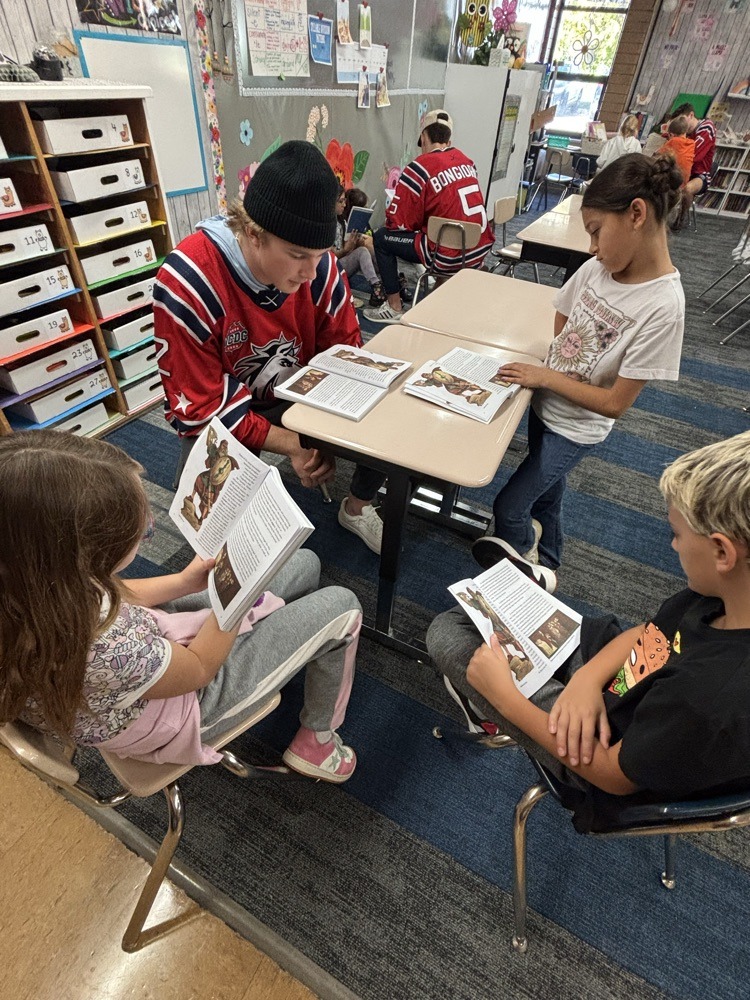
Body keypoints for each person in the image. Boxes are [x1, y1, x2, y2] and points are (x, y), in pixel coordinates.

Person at [427, 429, 750, 828]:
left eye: (678, 535)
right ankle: (525, 595)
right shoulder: (722, 597)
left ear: (723, 552)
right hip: (626, 682)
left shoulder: (708, 700)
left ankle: (491, 704)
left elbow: (612, 776)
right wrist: (587, 681)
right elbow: (650, 639)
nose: (673, 546)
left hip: (599, 750)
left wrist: (505, 698)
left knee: (447, 631)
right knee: (480, 610)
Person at [0, 431, 362, 782]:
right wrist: (236, 596)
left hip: (140, 655)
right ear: (89, 557)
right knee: (343, 606)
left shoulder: (26, 579)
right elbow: (200, 668)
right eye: (141, 530)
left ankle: (292, 641)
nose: (146, 530)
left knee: (304, 562)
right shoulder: (109, 647)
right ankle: (317, 742)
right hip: (186, 707)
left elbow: (111, 593)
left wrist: (184, 582)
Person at [153, 140, 385, 555]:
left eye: (320, 254)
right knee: (209, 530)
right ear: (252, 234)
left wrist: (323, 436)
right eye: (297, 255)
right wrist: (294, 444)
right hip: (225, 409)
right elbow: (201, 410)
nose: (310, 271)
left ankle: (357, 506)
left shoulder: (320, 268)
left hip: (295, 390)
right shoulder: (188, 281)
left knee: (382, 405)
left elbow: (347, 358)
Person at [473, 153, 685, 574]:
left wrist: (550, 374)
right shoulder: (597, 269)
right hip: (545, 406)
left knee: (510, 506)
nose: (591, 247)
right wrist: (560, 362)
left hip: (577, 429)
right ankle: (549, 562)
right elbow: (563, 313)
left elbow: (615, 405)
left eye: (596, 232)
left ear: (636, 215)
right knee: (547, 497)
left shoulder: (664, 306)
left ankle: (525, 579)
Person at [363, 109, 494, 325]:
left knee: (382, 238)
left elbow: (398, 222)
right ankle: (436, 300)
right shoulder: (467, 161)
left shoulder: (419, 168)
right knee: (442, 236)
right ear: (449, 139)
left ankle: (394, 306)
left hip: (443, 256)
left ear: (423, 137)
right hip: (477, 252)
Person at [334, 186, 385, 307]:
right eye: (340, 201)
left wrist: (354, 243)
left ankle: (392, 279)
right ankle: (376, 286)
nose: (344, 205)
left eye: (345, 201)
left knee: (370, 249)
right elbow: (330, 257)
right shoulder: (327, 224)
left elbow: (346, 248)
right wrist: (346, 249)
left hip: (343, 261)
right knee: (362, 251)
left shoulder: (343, 222)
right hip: (332, 267)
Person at [666, 102, 716, 225]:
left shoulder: (707, 127)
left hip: (700, 175)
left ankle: (680, 219)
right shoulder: (684, 133)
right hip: (682, 170)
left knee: (687, 189)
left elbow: (694, 155)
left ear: (691, 115)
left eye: (682, 119)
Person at [656, 115, 695, 186]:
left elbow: (656, 155)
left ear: (671, 134)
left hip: (670, 183)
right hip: (683, 183)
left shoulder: (673, 141)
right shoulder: (692, 144)